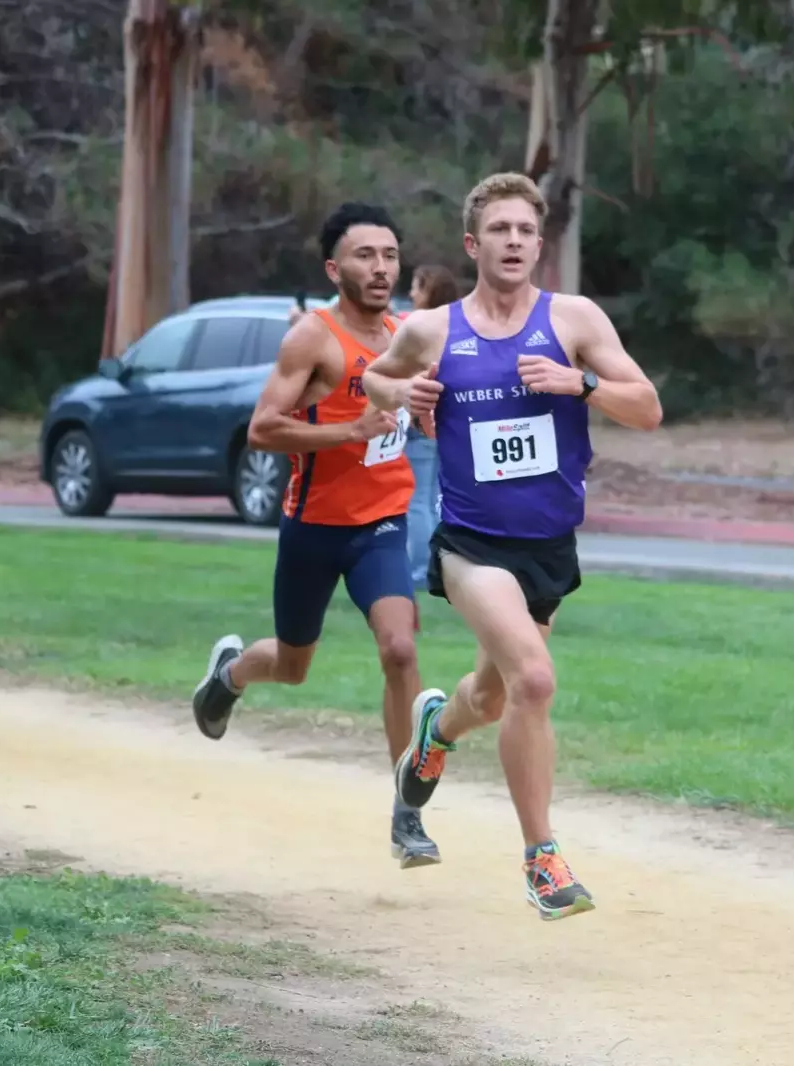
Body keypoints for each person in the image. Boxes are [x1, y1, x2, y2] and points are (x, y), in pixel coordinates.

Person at [361, 173, 663, 920]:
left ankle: (436, 732)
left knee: (491, 698)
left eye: (527, 231)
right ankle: (542, 860)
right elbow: (374, 376)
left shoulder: (574, 321)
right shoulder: (434, 330)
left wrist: (579, 384)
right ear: (474, 244)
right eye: (500, 230)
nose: (515, 242)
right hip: (470, 544)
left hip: (547, 547)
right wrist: (401, 396)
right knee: (533, 680)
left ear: (540, 244)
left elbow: (649, 408)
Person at [191, 202, 442, 868]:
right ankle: (231, 673)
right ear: (335, 268)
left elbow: (428, 415)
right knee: (295, 666)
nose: (382, 267)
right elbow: (262, 429)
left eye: (390, 254)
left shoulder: (409, 335)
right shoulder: (314, 337)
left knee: (398, 646)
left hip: (382, 524)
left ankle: (406, 812)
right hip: (313, 527)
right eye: (366, 255)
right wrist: (348, 432)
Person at [401, 264, 460, 591]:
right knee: (437, 499)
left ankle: (421, 572)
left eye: (417, 287)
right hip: (448, 424)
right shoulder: (456, 327)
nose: (411, 293)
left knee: (418, 501)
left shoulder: (420, 328)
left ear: (430, 292)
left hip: (421, 423)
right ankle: (443, 569)